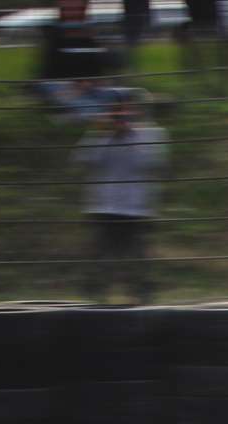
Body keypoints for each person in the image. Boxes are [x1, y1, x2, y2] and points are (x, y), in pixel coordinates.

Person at [75, 92, 167, 303]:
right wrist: (101, 134)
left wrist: (127, 134)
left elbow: (153, 163)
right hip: (103, 208)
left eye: (125, 109)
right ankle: (93, 302)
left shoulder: (152, 134)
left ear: (136, 111)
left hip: (137, 210)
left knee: (138, 259)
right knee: (99, 259)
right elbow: (82, 160)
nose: (121, 114)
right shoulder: (99, 135)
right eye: (115, 110)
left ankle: (144, 303)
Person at [34, 0, 118, 120]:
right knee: (90, 107)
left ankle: (79, 116)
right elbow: (51, 70)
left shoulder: (91, 34)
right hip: (59, 85)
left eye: (78, 9)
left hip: (88, 86)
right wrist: (80, 85)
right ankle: (86, 116)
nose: (73, 13)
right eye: (68, 9)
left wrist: (93, 82)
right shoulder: (52, 33)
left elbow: (101, 65)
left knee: (123, 95)